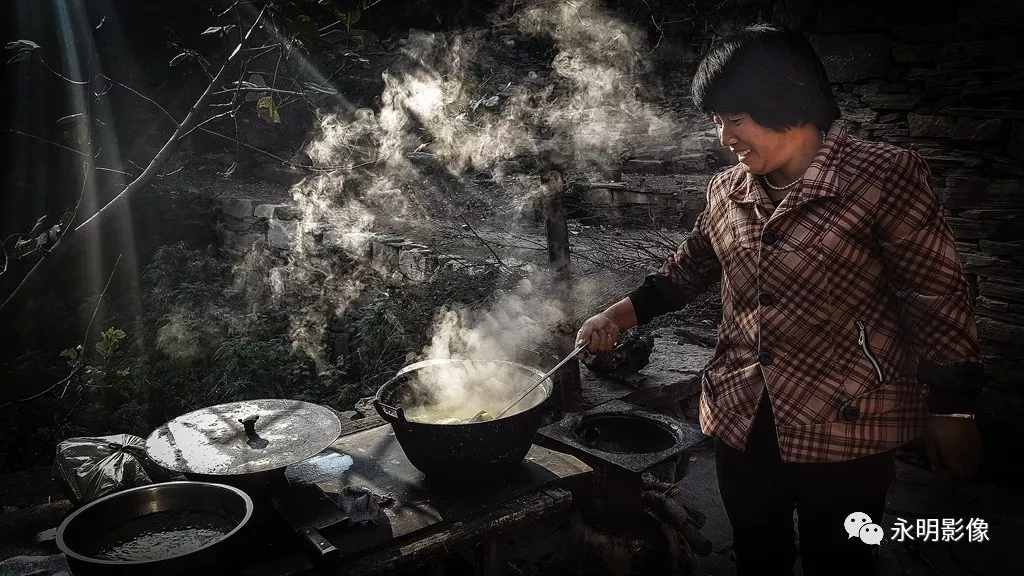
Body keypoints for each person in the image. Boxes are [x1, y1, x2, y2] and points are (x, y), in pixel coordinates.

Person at [575, 24, 985, 576]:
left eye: (733, 119)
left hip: (845, 420)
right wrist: (614, 316)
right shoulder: (728, 190)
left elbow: (935, 293)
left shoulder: (884, 176)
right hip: (742, 415)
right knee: (756, 549)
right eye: (717, 121)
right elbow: (687, 270)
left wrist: (952, 407)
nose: (723, 137)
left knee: (839, 558)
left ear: (785, 101)